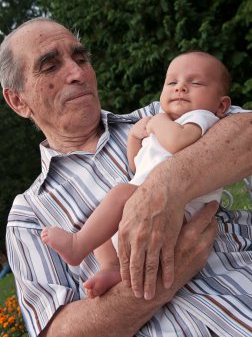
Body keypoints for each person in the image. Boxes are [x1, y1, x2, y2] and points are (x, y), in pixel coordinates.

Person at [0, 17, 251, 337]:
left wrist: (167, 185)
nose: (77, 74)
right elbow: (56, 332)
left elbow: (246, 130)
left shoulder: (159, 117)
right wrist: (159, 278)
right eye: (50, 67)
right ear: (18, 100)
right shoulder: (29, 215)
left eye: (80, 59)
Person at [40, 51, 232, 300]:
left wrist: (155, 123)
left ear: (222, 105)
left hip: (183, 213)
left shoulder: (200, 118)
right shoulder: (166, 124)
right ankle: (112, 268)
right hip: (143, 208)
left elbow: (178, 142)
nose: (181, 88)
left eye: (195, 83)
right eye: (172, 82)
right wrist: (134, 137)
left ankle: (78, 245)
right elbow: (137, 166)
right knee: (102, 220)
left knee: (120, 194)